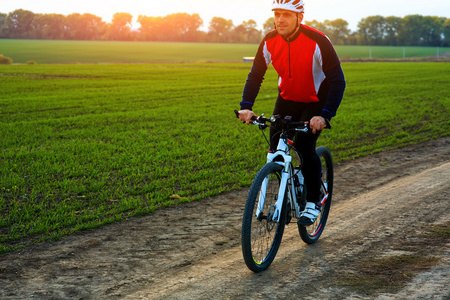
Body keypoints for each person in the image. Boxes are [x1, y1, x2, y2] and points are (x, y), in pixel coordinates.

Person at [237, 0, 346, 225]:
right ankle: (289, 188)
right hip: (287, 99)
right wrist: (246, 105)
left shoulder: (318, 41)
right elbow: (256, 74)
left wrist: (324, 116)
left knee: (305, 146)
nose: (280, 20)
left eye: (287, 14)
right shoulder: (269, 40)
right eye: (277, 14)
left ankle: (313, 201)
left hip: (316, 101)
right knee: (275, 149)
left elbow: (338, 81)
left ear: (300, 18)